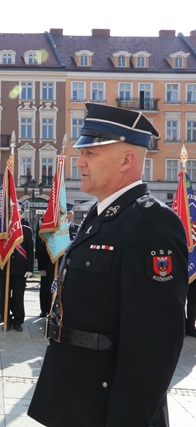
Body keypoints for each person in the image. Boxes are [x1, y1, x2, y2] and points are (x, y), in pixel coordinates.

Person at [28, 103, 188, 426]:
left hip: (106, 409)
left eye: (91, 153)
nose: (80, 161)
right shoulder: (100, 215)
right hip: (77, 398)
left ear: (126, 161)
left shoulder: (152, 224)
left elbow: (154, 347)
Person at [0, 209, 33, 331]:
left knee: (18, 296)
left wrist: (29, 269)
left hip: (20, 269)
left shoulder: (26, 230)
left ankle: (18, 321)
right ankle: (6, 319)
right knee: (5, 296)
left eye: (18, 213)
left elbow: (30, 251)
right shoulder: (4, 229)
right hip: (5, 268)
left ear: (21, 215)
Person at [34, 217, 54, 317]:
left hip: (56, 260)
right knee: (45, 286)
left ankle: (52, 309)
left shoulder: (61, 222)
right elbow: (39, 243)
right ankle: (44, 309)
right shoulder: (42, 221)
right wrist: (40, 265)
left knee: (54, 286)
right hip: (45, 260)